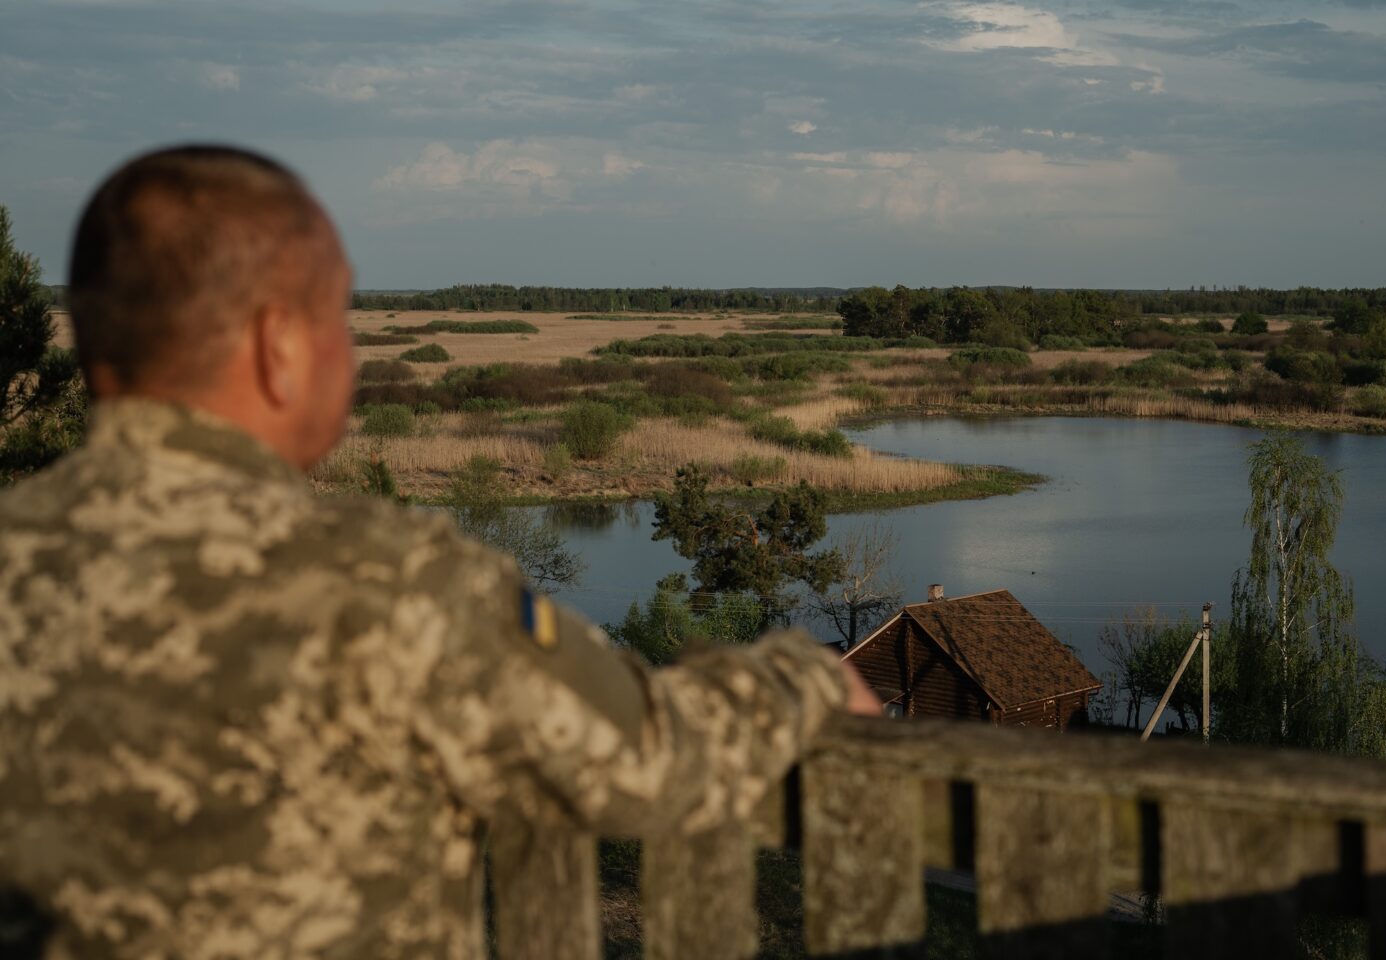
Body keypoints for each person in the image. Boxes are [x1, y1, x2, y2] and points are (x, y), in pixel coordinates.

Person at [0, 145, 881, 959]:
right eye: (338, 314)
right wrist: (800, 678)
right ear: (278, 348)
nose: (348, 347)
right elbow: (640, 755)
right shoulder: (386, 580)